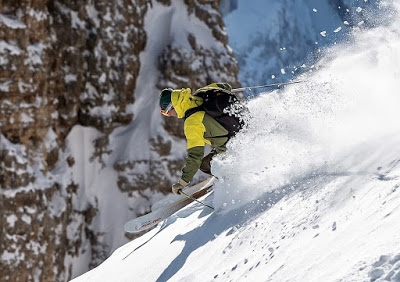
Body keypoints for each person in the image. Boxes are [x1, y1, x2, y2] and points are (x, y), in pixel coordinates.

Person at [159, 83, 241, 195]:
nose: (170, 115)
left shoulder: (191, 123)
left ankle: (230, 181)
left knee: (205, 164)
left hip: (231, 147)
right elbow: (225, 86)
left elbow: (195, 156)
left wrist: (182, 182)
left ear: (173, 106)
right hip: (243, 128)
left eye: (167, 112)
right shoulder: (202, 92)